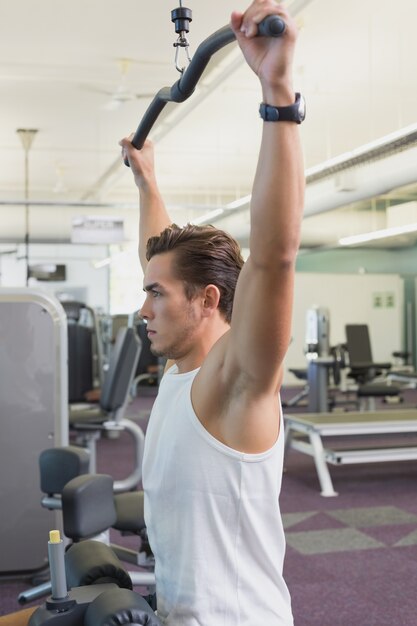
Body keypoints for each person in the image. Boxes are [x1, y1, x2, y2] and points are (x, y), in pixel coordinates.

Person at [120, 1, 305, 624]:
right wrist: (147, 182)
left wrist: (277, 95)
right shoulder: (180, 369)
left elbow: (275, 257)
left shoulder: (235, 383)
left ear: (209, 301)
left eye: (156, 295)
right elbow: (159, 255)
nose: (143, 307)